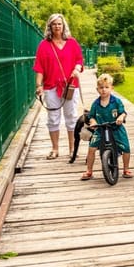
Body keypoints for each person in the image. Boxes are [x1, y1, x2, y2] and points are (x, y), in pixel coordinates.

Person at [33, 13, 84, 160]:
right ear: (50, 26)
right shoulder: (44, 45)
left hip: (70, 86)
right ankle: (55, 149)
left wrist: (77, 69)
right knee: (53, 118)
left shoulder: (72, 42)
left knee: (71, 117)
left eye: (59, 24)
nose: (57, 26)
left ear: (63, 26)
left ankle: (72, 148)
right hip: (51, 87)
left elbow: (79, 60)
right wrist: (39, 85)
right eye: (54, 24)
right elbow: (39, 68)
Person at [80, 73, 131, 180]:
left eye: (107, 87)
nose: (104, 90)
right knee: (91, 148)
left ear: (112, 88)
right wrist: (93, 122)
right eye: (101, 87)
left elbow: (123, 112)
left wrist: (121, 117)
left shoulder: (116, 101)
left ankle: (126, 169)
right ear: (97, 89)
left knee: (125, 147)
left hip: (116, 128)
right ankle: (89, 171)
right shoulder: (96, 104)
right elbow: (91, 116)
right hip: (101, 129)